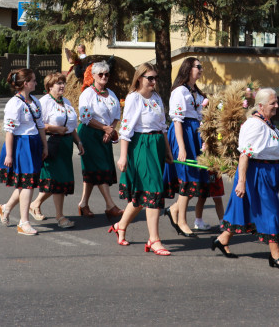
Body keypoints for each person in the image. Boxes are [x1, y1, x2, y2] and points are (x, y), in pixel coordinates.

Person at [213, 87, 279, 271]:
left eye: (276, 102)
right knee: (271, 212)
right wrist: (241, 181)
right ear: (260, 105)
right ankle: (276, 255)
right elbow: (244, 155)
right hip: (257, 173)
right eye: (272, 103)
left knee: (243, 208)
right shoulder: (255, 125)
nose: (276, 105)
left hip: (267, 171)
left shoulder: (266, 122)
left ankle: (223, 239)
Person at [111, 63, 175, 255]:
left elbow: (163, 127)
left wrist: (168, 151)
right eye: (150, 78)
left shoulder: (155, 97)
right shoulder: (134, 98)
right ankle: (154, 240)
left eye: (156, 78)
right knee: (153, 191)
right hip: (141, 145)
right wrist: (123, 156)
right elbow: (126, 129)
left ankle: (120, 226)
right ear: (139, 78)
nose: (154, 82)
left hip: (156, 145)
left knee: (142, 194)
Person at [30, 72, 84, 228]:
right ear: (49, 86)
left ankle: (35, 204)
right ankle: (60, 217)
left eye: (63, 83)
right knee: (56, 180)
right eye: (58, 83)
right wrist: (55, 128)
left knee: (58, 180)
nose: (62, 86)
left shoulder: (66, 102)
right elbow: (38, 125)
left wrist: (78, 142)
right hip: (52, 143)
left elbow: (72, 126)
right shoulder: (44, 102)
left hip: (65, 146)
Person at [0, 68, 46, 236]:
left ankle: (6, 208)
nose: (36, 83)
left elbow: (40, 127)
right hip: (20, 145)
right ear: (26, 83)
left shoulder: (35, 102)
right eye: (34, 80)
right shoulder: (14, 104)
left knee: (26, 183)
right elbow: (9, 131)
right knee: (28, 183)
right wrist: (9, 155)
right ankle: (23, 222)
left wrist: (44, 146)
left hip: (33, 143)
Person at [165, 57, 208, 238]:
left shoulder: (195, 92)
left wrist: (205, 139)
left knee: (196, 179)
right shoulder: (180, 92)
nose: (200, 70)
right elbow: (177, 121)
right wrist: (182, 148)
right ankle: (181, 221)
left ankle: (174, 209)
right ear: (188, 69)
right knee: (187, 178)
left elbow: (201, 117)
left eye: (201, 67)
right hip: (183, 134)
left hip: (195, 133)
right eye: (198, 67)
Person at [76, 61, 123, 220]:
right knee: (100, 168)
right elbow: (85, 117)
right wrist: (104, 128)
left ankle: (83, 204)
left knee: (93, 170)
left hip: (105, 134)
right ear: (94, 76)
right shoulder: (87, 94)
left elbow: (117, 115)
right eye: (100, 74)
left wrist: (110, 130)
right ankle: (110, 205)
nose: (104, 77)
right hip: (90, 133)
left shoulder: (111, 93)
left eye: (106, 74)